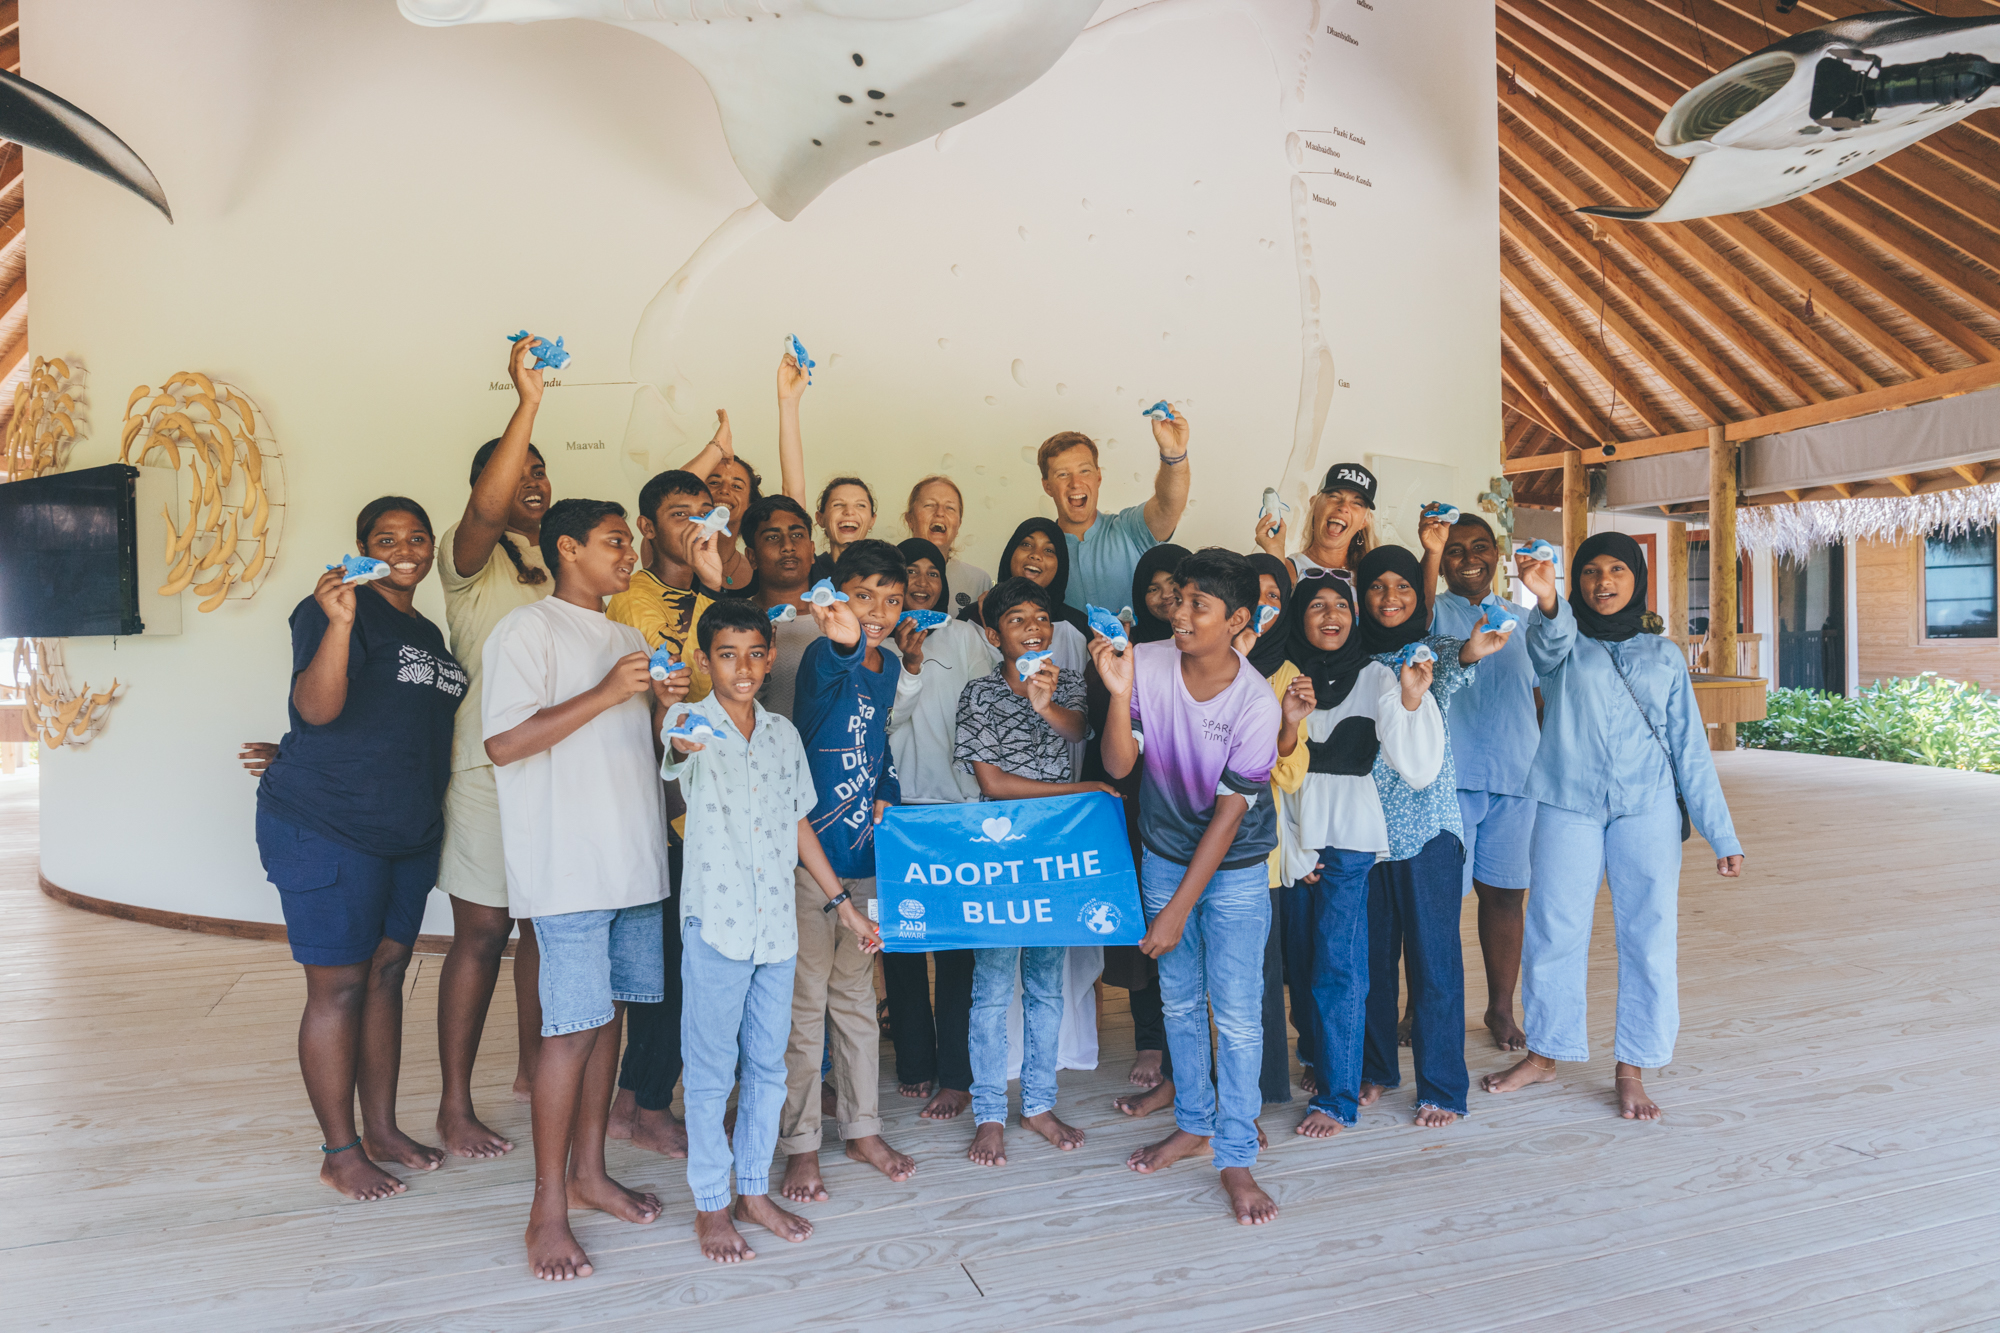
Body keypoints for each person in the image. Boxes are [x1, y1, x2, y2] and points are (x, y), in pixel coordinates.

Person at [482, 498, 682, 1281]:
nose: (627, 552)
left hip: (635, 865)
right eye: (613, 541)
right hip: (567, 869)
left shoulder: (630, 637)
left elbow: (644, 757)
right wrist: (606, 691)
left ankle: (590, 1172)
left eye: (627, 541)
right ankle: (546, 1210)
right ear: (567, 548)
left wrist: (667, 712)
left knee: (611, 1022)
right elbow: (504, 742)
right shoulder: (527, 629)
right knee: (567, 1032)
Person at [1482, 533, 1744, 1120]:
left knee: (1649, 935)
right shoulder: (1561, 639)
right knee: (1554, 928)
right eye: (1592, 571)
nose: (1604, 581)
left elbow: (1690, 749)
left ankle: (1633, 1066)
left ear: (1638, 579)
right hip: (1566, 805)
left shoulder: (1664, 654)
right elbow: (1546, 646)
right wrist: (1546, 601)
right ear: (1576, 580)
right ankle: (1546, 1054)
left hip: (1645, 808)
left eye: (1617, 570)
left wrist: (1720, 833)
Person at [660, 597, 882, 1263]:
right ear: (705, 660)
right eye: (727, 654)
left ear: (771, 654)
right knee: (708, 1072)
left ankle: (753, 1188)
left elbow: (798, 822)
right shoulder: (687, 719)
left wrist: (842, 902)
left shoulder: (783, 734)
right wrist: (677, 727)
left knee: (768, 1065)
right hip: (717, 927)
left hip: (776, 929)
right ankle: (709, 1203)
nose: (744, 667)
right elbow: (675, 744)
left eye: (756, 652)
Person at [255, 498, 464, 1201]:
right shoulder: (333, 607)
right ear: (361, 547)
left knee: (385, 975)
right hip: (329, 825)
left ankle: (382, 1129)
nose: (405, 549)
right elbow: (316, 708)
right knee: (337, 986)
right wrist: (341, 623)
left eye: (416, 537)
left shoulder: (428, 629)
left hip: (405, 833)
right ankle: (339, 1150)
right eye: (386, 538)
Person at [1091, 547, 1283, 1227]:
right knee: (1178, 1002)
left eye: (1199, 604)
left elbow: (1230, 819)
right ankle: (1194, 1122)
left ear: (1237, 620)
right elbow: (1119, 764)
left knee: (1234, 1012)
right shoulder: (1146, 659)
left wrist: (1175, 910)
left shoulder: (1257, 703)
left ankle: (1234, 1152)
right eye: (1179, 600)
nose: (1180, 613)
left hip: (1229, 867)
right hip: (1164, 853)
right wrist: (1119, 695)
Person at [432, 336, 552, 1160]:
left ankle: (532, 1071)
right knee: (480, 933)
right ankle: (451, 1104)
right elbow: (483, 510)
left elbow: (650, 527)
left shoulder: (555, 557)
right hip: (483, 771)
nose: (533, 483)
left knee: (544, 928)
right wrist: (529, 400)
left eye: (542, 472)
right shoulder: (467, 558)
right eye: (521, 471)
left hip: (554, 769)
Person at [1270, 569, 1444, 1139]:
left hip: (1347, 833)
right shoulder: (1278, 673)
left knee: (1337, 963)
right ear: (1299, 617)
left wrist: (1413, 699)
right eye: (1315, 606)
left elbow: (1416, 767)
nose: (1330, 616)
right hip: (1288, 830)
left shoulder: (1378, 676)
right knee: (1299, 961)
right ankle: (1323, 1062)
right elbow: (1267, 763)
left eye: (1339, 606)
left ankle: (1340, 1098)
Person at [1350, 545, 1511, 1127]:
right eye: (1376, 587)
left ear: (1419, 598)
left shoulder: (1433, 653)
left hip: (1429, 832)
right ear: (1360, 595)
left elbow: (1465, 651)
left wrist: (1480, 642)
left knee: (1434, 963)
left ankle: (1441, 1086)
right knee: (1368, 961)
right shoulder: (1347, 654)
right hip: (1363, 833)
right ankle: (1374, 1068)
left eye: (1403, 587)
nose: (1390, 597)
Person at [954, 577, 1112, 1165]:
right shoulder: (977, 694)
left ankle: (1039, 1103)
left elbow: (1083, 730)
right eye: (1018, 621)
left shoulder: (1066, 683)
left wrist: (1046, 704)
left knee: (1046, 983)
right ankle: (990, 1112)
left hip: (1054, 854)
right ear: (995, 635)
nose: (1034, 630)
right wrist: (1080, 788)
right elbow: (992, 786)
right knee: (992, 990)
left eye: (1041, 619)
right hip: (999, 854)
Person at [778, 540, 917, 1204]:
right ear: (839, 597)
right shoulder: (820, 655)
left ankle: (861, 1127)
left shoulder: (887, 664)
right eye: (865, 596)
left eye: (892, 600)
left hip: (866, 861)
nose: (880, 612)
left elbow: (878, 738)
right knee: (805, 1013)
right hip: (812, 863)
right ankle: (801, 1144)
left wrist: (886, 783)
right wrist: (841, 633)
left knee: (858, 1004)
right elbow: (831, 672)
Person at [601, 468, 720, 1159]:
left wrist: (713, 581)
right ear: (648, 527)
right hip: (656, 808)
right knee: (667, 968)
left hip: (708, 806)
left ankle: (638, 1101)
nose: (696, 523)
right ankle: (642, 1104)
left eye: (705, 511)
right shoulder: (631, 599)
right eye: (680, 513)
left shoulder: (710, 592)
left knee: (683, 965)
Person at [1429, 514, 1570, 1052]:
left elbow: (1540, 697)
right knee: (1437, 902)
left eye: (1481, 547)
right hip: (1447, 781)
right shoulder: (1430, 611)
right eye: (1456, 549)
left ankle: (1499, 1009)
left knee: (1507, 897)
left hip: (1516, 778)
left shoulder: (1522, 620)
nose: (1469, 559)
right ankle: (1422, 1005)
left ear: (1498, 554)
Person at [882, 537, 992, 1121]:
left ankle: (956, 1073)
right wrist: (907, 661)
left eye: (933, 571)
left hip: (958, 809)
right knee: (900, 944)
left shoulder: (967, 636)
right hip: (895, 812)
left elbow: (983, 709)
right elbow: (881, 721)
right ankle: (913, 1062)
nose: (923, 580)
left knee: (956, 949)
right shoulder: (877, 637)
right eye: (911, 571)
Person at [1104, 542, 1189, 1095]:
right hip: (1135, 797)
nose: (1163, 599)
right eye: (1152, 588)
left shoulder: (1205, 650)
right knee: (1141, 923)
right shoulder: (1125, 650)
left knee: (1186, 924)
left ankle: (1187, 1041)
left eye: (1175, 590)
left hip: (1190, 803)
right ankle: (1150, 1038)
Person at [676, 351, 811, 596]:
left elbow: (793, 497)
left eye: (737, 486)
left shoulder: (760, 559)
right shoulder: (675, 550)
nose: (724, 490)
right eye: (713, 481)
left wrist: (789, 402)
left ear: (750, 504)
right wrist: (717, 448)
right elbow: (670, 496)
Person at [1040, 407, 1191, 613]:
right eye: (1063, 474)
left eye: (1084, 471)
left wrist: (1173, 455)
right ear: (1047, 486)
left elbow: (1168, 506)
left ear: (1098, 477)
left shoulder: (1129, 528)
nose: (1076, 483)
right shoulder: (1040, 553)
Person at [1268, 462, 1375, 581]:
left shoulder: (1371, 579)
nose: (1344, 507)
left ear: (1364, 521)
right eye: (1334, 496)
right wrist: (1275, 558)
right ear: (1314, 503)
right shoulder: (1287, 569)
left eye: (1357, 503)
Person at [903, 474, 992, 611]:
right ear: (910, 519)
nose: (940, 513)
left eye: (950, 508)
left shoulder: (979, 581)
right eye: (929, 505)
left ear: (958, 524)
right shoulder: (886, 570)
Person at [808, 476, 878, 584]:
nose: (849, 511)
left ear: (872, 520)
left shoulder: (884, 571)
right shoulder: (809, 569)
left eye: (860, 505)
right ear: (820, 518)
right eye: (838, 504)